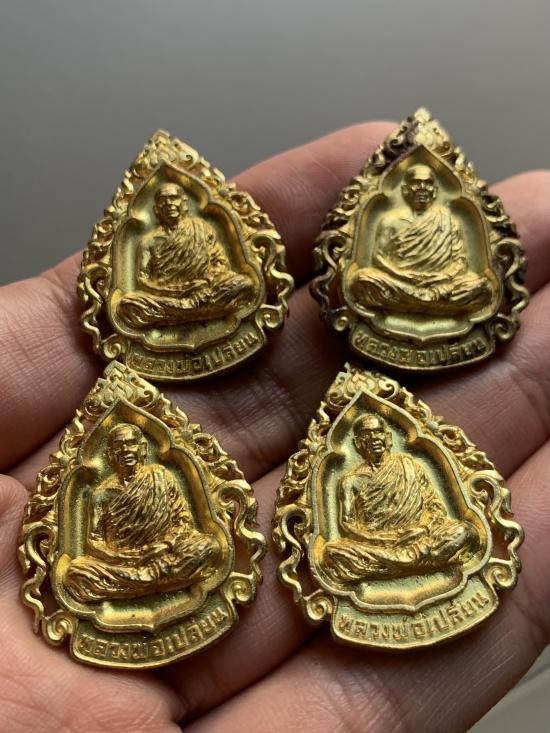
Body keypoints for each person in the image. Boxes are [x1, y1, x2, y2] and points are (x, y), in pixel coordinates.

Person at [1, 121, 547, 731]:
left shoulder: (403, 462)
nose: (419, 195)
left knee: (456, 533)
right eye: (169, 207)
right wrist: (142, 563)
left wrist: (415, 542)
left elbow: (227, 279)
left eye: (425, 188)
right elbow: (109, 547)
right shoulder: (105, 491)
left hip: (414, 484)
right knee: (80, 570)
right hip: (149, 556)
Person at [64, 423, 220, 602]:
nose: (125, 450)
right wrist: (121, 557)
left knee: (210, 546)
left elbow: (184, 520)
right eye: (118, 446)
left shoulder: (161, 475)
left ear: (143, 448)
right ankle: (159, 579)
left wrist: (166, 544)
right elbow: (94, 541)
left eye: (131, 443)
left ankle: (137, 583)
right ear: (110, 455)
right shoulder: (101, 494)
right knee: (74, 573)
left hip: (164, 554)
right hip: (125, 563)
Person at [322, 414, 478, 581]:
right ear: (358, 443)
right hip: (380, 545)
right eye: (366, 434)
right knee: (332, 552)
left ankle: (398, 563)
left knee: (465, 531)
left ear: (388, 437)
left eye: (378, 432)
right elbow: (348, 525)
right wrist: (385, 540)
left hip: (421, 536)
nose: (374, 438)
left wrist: (424, 528)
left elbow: (434, 505)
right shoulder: (350, 481)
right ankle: (419, 560)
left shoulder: (409, 465)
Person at [350, 164, 492, 314]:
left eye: (428, 183)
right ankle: (435, 304)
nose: (422, 188)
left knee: (480, 286)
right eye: (416, 183)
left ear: (435, 191)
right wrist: (403, 276)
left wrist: (442, 277)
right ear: (405, 189)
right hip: (400, 282)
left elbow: (460, 261)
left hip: (440, 284)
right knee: (363, 279)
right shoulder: (390, 221)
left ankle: (411, 303)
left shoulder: (449, 221)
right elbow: (378, 258)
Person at [117, 182, 254, 327]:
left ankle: (182, 312)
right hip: (168, 296)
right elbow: (143, 280)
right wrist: (178, 291)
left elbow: (221, 263)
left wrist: (205, 283)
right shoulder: (148, 242)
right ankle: (203, 309)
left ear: (184, 203)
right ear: (156, 209)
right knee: (127, 304)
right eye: (163, 200)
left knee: (244, 283)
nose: (169, 203)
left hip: (204, 290)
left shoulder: (201, 228)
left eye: (173, 198)